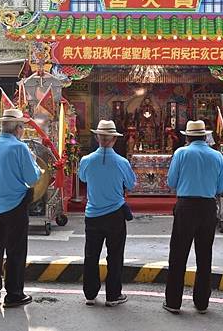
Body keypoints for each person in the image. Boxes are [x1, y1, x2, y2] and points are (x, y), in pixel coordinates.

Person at [163, 120, 223, 315]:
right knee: (204, 255)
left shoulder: (181, 153)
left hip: (186, 206)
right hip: (207, 207)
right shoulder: (217, 156)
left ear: (187, 137)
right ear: (205, 136)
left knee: (178, 255)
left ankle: (173, 302)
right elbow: (220, 188)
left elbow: (171, 181)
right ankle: (201, 302)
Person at [0, 109, 41, 308]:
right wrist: (32, 160)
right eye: (22, 126)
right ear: (18, 128)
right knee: (15, 250)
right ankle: (14, 293)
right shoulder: (20, 148)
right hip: (15, 203)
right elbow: (32, 178)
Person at [79, 120, 136, 307]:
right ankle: (113, 295)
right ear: (113, 139)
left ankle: (90, 293)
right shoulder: (122, 162)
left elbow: (83, 178)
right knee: (115, 255)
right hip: (115, 215)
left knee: (91, 255)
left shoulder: (86, 161)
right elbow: (130, 184)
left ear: (97, 138)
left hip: (93, 214)